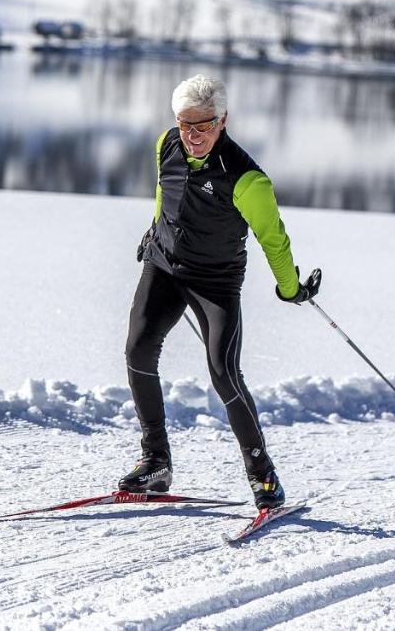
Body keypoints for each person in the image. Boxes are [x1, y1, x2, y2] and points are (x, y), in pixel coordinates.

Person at [120, 74, 321, 509]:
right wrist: (154, 230)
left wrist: (291, 289)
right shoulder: (166, 144)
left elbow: (274, 239)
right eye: (184, 124)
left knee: (223, 372)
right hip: (165, 266)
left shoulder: (248, 180)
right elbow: (165, 192)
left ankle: (262, 474)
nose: (191, 136)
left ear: (223, 121)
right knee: (138, 350)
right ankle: (155, 460)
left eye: (203, 126)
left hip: (216, 281)